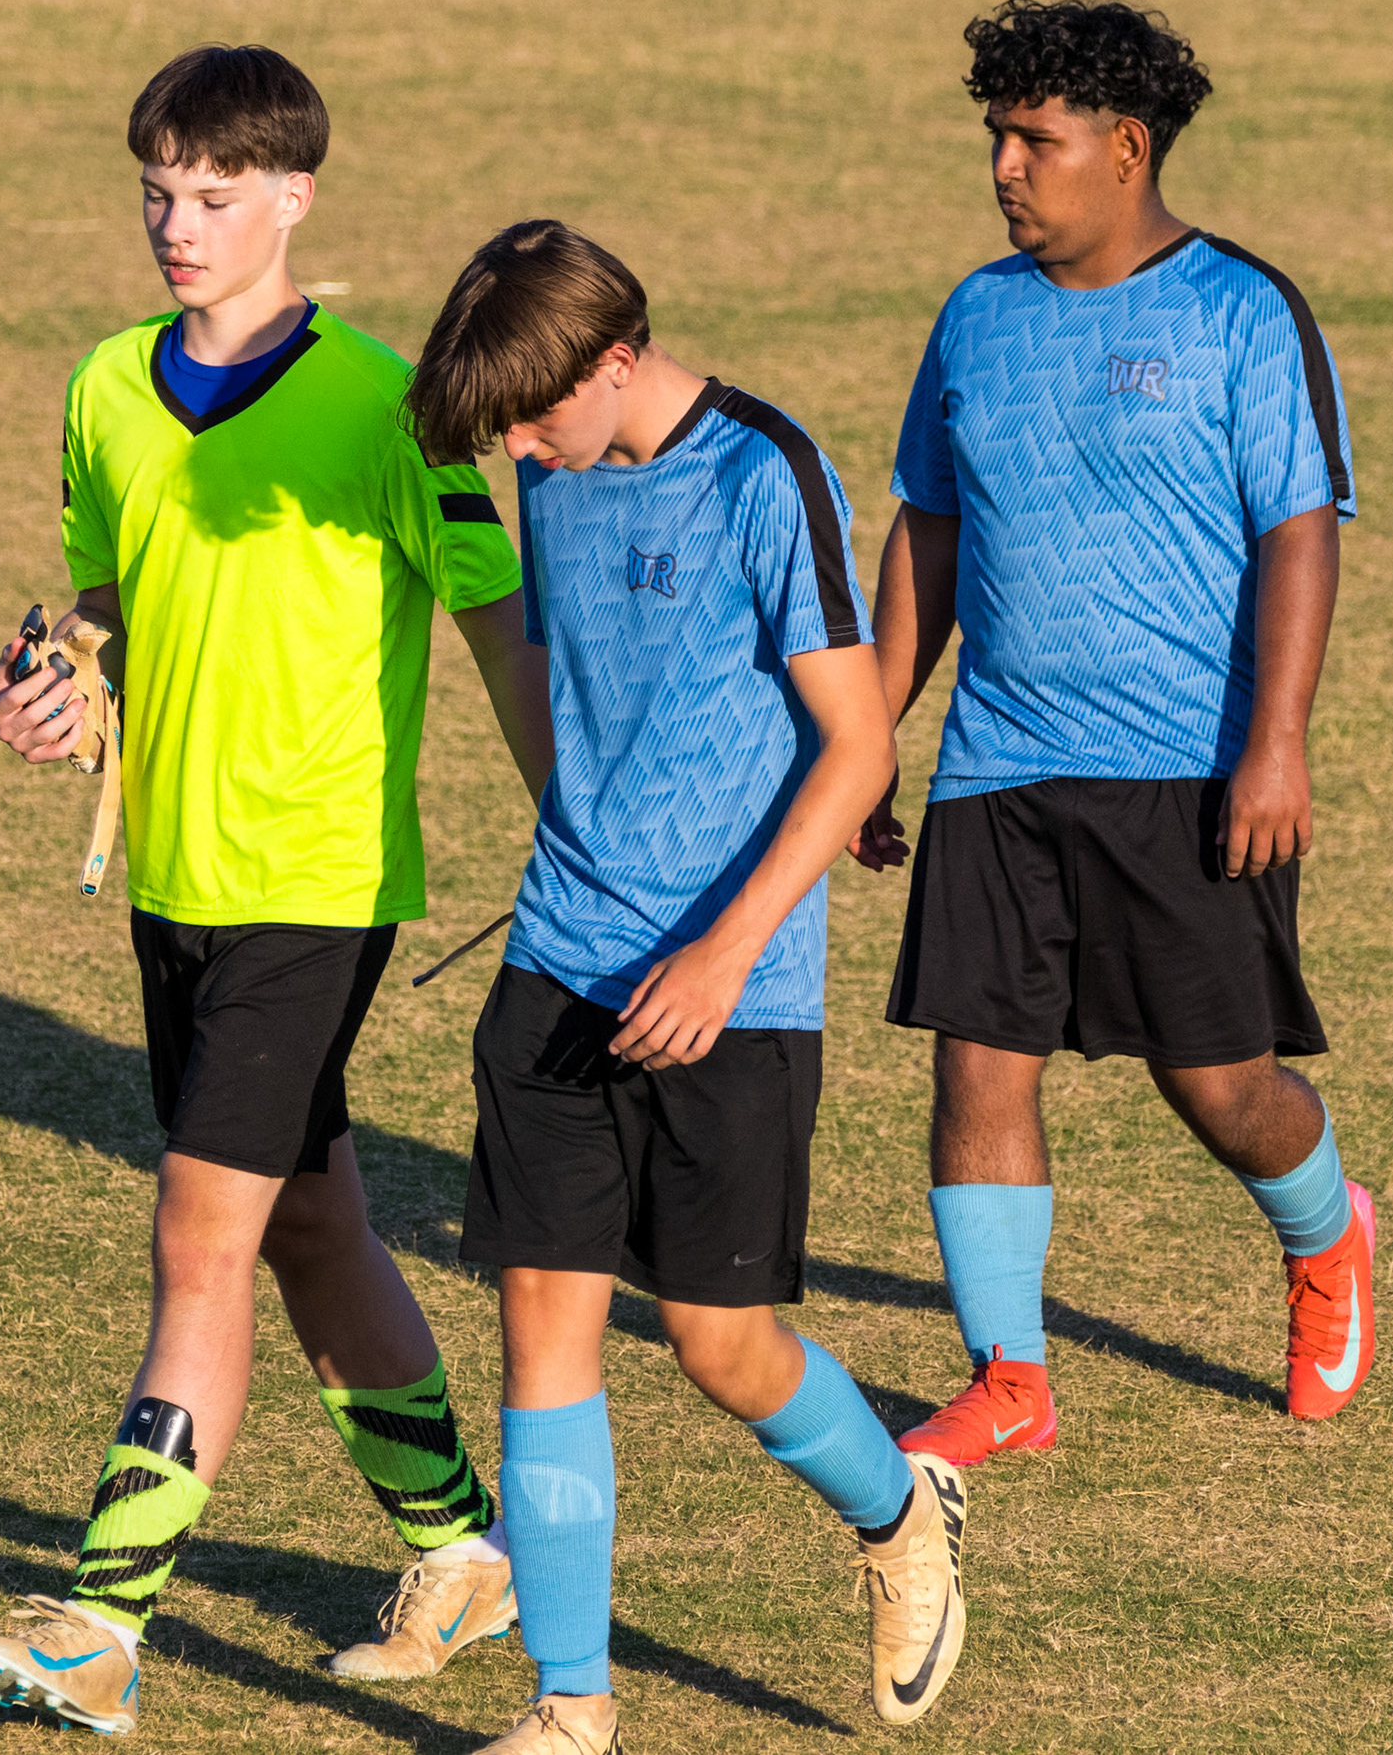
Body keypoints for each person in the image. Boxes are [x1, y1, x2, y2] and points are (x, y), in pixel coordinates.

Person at [0, 45, 553, 1734]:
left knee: (199, 1236)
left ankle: (101, 1623)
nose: (179, 224)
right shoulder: (103, 388)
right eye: (159, 192)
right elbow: (106, 611)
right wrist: (54, 689)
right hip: (174, 880)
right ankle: (461, 1548)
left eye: (216, 196)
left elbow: (501, 628)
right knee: (307, 1221)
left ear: (295, 195)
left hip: (317, 881)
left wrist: (584, 841)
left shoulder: (392, 408)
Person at [407, 220, 968, 1754]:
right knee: (543, 1329)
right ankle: (571, 1703)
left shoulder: (764, 474)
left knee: (723, 1346)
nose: (525, 453)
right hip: (557, 960)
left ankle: (898, 1507)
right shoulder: (553, 466)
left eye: (536, 417)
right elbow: (570, 681)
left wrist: (721, 951)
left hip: (736, 988)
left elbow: (860, 742)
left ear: (617, 359)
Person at [854, 0, 1372, 1468]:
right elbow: (930, 528)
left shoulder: (1238, 308)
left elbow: (1298, 529)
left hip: (1188, 768)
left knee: (1219, 1085)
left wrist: (1277, 742)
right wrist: (871, 731)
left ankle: (1326, 1233)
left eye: (1036, 140)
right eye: (996, 137)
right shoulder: (976, 314)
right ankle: (1009, 1375)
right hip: (1002, 759)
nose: (1004, 168)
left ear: (1128, 148)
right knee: (978, 1061)